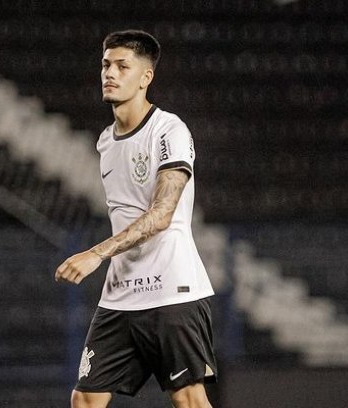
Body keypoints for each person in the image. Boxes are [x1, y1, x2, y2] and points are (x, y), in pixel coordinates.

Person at [55, 30, 216, 408]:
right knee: (85, 399)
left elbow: (161, 215)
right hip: (120, 297)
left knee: (189, 400)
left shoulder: (169, 131)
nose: (109, 73)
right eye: (105, 65)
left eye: (122, 66)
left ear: (146, 77)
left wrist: (96, 254)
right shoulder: (105, 142)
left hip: (172, 292)